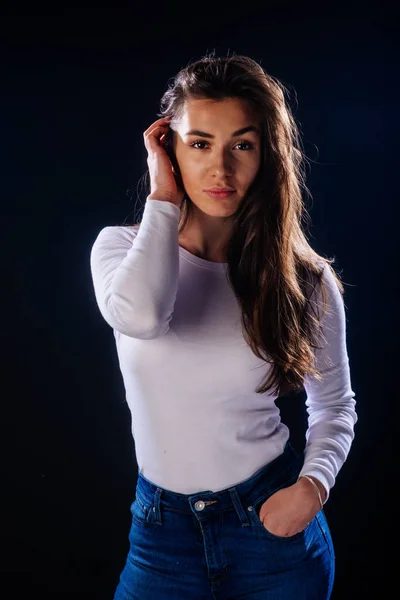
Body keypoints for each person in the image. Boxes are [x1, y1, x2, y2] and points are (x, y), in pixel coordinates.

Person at [90, 52, 358, 600]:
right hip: (160, 536)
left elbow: (335, 406)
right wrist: (163, 197)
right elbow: (143, 316)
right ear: (167, 149)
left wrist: (312, 487)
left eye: (242, 145)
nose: (221, 169)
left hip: (269, 530)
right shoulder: (118, 249)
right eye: (199, 144)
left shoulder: (303, 279)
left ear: (266, 156)